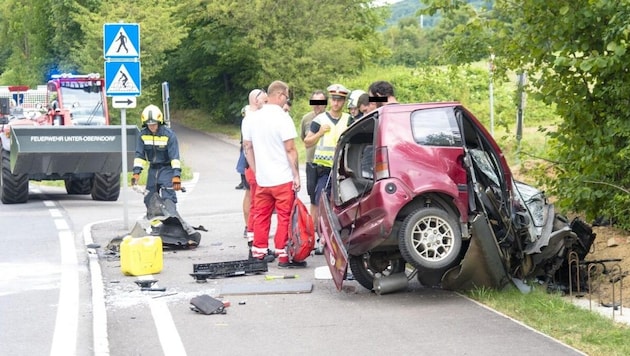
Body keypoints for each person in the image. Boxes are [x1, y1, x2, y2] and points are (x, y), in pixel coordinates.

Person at [242, 80, 303, 268]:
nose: (287, 101)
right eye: (287, 96)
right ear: (280, 95)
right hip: (283, 178)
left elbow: (247, 147)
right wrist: (296, 175)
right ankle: (283, 255)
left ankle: (259, 254)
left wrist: (256, 170)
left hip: (263, 179)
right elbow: (290, 149)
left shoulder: (252, 118)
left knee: (261, 215)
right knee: (284, 216)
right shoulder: (283, 118)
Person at [303, 83, 351, 254]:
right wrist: (319, 133)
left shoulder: (348, 119)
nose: (336, 103)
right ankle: (320, 238)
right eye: (334, 99)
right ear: (330, 100)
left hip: (343, 169)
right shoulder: (319, 120)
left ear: (344, 102)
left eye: (340, 100)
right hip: (324, 169)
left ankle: (341, 239)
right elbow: (307, 142)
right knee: (320, 202)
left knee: (345, 204)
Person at [131, 104, 182, 214]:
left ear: (159, 122)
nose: (152, 127)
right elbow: (139, 156)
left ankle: (172, 219)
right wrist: (136, 173)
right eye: (149, 124)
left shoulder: (169, 135)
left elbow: (175, 157)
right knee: (149, 198)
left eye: (154, 124)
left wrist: (176, 175)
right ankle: (155, 223)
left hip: (167, 169)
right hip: (152, 170)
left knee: (168, 197)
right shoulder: (142, 135)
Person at [242, 89, 268, 244]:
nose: (266, 105)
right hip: (254, 166)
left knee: (256, 203)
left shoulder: (253, 117)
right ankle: (254, 238)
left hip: (256, 166)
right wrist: (257, 170)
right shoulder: (251, 119)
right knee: (256, 204)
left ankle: (254, 237)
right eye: (264, 102)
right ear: (255, 101)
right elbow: (248, 146)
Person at [299, 90, 327, 224]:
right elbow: (303, 139)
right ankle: (313, 227)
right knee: (312, 197)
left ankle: (324, 226)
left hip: (326, 164)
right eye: (314, 102)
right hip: (311, 163)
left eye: (320, 102)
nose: (317, 105)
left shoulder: (329, 118)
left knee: (324, 197)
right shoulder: (306, 118)